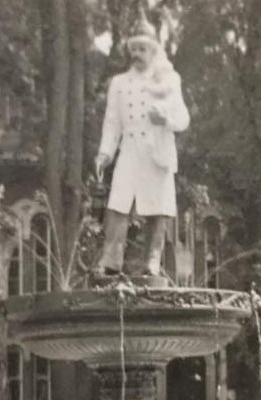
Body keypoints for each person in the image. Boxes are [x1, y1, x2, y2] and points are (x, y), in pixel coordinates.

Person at [94, 9, 190, 277]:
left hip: (157, 151)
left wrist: (166, 119)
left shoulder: (169, 80)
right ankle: (111, 262)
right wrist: (104, 153)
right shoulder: (119, 83)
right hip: (130, 150)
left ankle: (152, 261)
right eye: (133, 49)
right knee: (118, 205)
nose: (137, 54)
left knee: (157, 209)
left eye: (142, 49)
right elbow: (112, 122)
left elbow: (183, 119)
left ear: (153, 51)